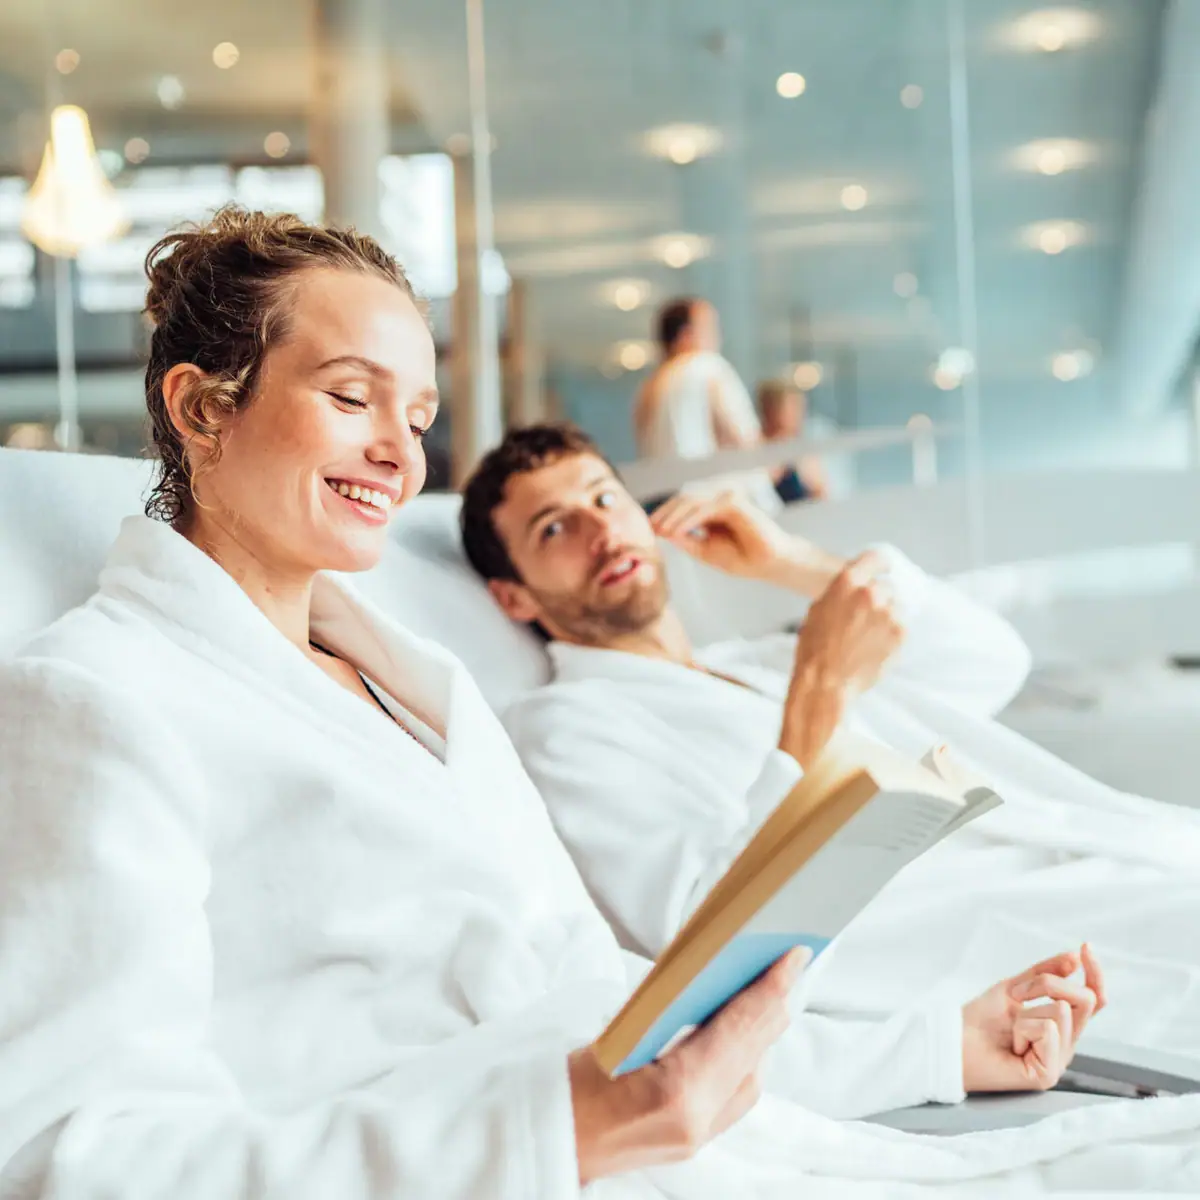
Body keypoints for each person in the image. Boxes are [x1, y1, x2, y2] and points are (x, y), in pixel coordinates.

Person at [2, 215, 1199, 1199]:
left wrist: (930, 1047)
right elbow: (71, 1159)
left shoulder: (419, 683)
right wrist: (547, 1139)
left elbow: (604, 996)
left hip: (696, 1152)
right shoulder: (94, 700)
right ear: (205, 408)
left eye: (417, 419)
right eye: (351, 396)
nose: (398, 456)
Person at [461, 423, 1200, 1088]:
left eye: (605, 497)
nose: (599, 529)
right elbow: (699, 933)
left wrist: (793, 563)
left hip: (1100, 860)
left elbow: (990, 660)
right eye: (555, 526)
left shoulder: (757, 661)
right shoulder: (564, 730)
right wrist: (821, 693)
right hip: (988, 940)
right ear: (514, 598)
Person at [632, 298, 777, 511]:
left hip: (663, 505)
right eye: (710, 328)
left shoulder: (649, 386)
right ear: (685, 335)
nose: (718, 337)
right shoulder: (706, 367)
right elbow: (743, 437)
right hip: (708, 504)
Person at [756, 379, 829, 504]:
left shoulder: (802, 450)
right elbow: (754, 487)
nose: (799, 414)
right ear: (771, 409)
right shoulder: (755, 445)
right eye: (792, 406)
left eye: (800, 407)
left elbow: (821, 494)